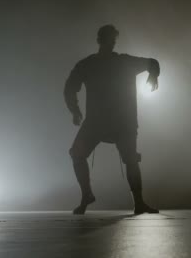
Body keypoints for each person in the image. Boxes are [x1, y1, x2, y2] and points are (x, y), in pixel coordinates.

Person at [64, 24, 160, 215]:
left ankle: (138, 202)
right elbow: (70, 87)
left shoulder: (121, 62)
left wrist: (154, 74)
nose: (111, 43)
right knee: (77, 153)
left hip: (121, 122)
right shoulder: (91, 64)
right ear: (100, 41)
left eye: (113, 40)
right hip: (101, 121)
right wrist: (74, 110)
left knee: (131, 160)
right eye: (109, 39)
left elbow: (153, 63)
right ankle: (87, 195)